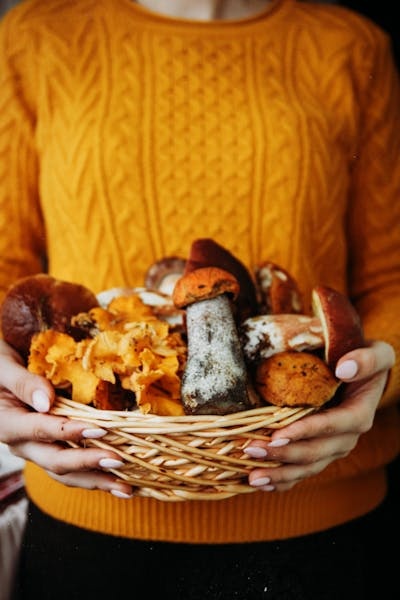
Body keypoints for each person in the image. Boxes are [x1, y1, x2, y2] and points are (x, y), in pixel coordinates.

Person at [0, 1, 399, 598]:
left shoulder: (348, 46)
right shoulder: (35, 38)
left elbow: (390, 278)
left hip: (320, 517)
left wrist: (377, 375)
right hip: (92, 516)